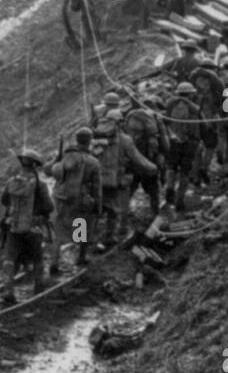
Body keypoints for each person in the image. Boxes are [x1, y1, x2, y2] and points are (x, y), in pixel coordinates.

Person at [91, 111, 155, 251]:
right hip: (115, 181)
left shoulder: (94, 137)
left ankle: (82, 241)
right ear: (120, 123)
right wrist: (153, 167)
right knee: (113, 211)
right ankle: (110, 238)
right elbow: (138, 159)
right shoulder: (125, 139)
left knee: (92, 212)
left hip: (96, 182)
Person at [0, 149, 54, 301]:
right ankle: (39, 289)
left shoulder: (11, 181)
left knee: (9, 259)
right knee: (38, 257)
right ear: (35, 165)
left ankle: (8, 291)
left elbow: (4, 200)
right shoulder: (40, 184)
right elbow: (49, 207)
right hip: (33, 226)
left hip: (14, 225)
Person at [48, 127, 102, 269]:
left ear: (77, 140)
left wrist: (57, 159)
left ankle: (54, 263)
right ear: (89, 141)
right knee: (82, 225)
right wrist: (98, 206)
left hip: (60, 197)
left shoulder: (66, 157)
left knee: (59, 230)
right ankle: (81, 258)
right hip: (79, 200)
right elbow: (97, 188)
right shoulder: (93, 162)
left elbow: (50, 171)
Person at [124, 100, 170, 216]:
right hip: (149, 161)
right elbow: (164, 144)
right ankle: (155, 214)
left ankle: (122, 217)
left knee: (130, 188)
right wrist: (162, 156)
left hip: (132, 161)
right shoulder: (155, 121)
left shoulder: (130, 117)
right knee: (153, 190)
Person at [164, 82, 202, 212]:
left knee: (171, 167)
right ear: (190, 94)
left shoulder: (170, 104)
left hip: (173, 139)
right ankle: (179, 201)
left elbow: (165, 121)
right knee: (185, 173)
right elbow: (196, 127)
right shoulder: (194, 108)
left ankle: (169, 188)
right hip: (189, 142)